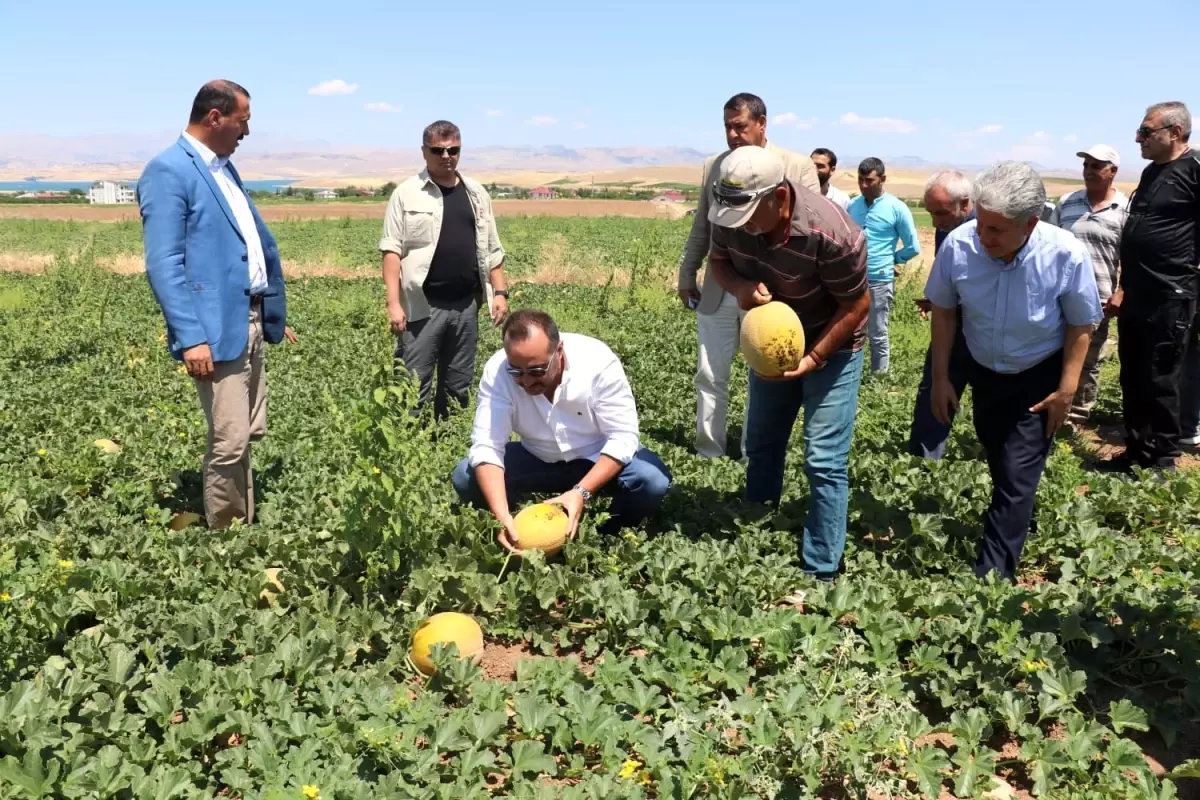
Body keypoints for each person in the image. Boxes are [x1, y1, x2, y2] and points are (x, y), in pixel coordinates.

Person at [926, 161, 1101, 581]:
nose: (983, 238)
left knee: (1016, 474)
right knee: (999, 456)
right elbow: (945, 314)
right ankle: (1018, 518)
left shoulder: (1065, 252)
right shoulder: (959, 244)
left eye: (996, 230)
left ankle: (991, 578)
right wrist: (941, 379)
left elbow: (1081, 325)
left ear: (1030, 224)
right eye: (981, 225)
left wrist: (1066, 391)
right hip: (985, 370)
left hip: (1037, 374)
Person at [137, 79, 297, 530]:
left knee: (248, 430)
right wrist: (191, 338)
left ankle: (242, 520)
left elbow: (244, 245)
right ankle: (227, 537)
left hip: (246, 316)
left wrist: (269, 311)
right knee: (229, 438)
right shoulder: (169, 170)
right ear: (215, 117)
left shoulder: (222, 167)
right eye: (243, 121)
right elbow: (164, 264)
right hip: (212, 329)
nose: (246, 132)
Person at [706, 145, 870, 584]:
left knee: (823, 459)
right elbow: (718, 261)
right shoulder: (730, 215)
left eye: (749, 218)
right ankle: (759, 530)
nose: (739, 228)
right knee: (760, 444)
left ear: (780, 198)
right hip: (772, 345)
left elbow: (858, 304)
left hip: (832, 346)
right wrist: (740, 286)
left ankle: (821, 570)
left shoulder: (832, 233)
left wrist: (814, 357)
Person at [451, 309, 672, 551]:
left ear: (559, 351)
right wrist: (500, 513)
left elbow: (623, 437)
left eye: (536, 371)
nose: (526, 381)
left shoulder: (597, 362)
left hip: (595, 457)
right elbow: (487, 446)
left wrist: (581, 492)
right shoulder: (497, 371)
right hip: (536, 456)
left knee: (651, 480)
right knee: (466, 476)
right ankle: (519, 524)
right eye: (516, 372)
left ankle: (605, 535)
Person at [676, 93, 820, 461]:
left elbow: (811, 231)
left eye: (739, 126)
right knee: (709, 373)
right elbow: (702, 226)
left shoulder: (796, 166)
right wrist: (687, 271)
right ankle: (709, 452)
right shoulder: (714, 165)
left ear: (762, 123)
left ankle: (752, 453)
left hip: (771, 294)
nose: (733, 134)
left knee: (764, 375)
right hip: (720, 286)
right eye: (727, 127)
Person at [379, 120, 510, 421]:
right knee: (413, 385)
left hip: (466, 306)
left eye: (453, 150)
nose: (446, 156)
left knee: (458, 386)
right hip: (422, 307)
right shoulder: (407, 193)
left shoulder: (476, 193)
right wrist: (393, 303)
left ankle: (446, 449)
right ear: (424, 151)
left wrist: (500, 292)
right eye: (438, 150)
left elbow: (492, 247)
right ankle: (409, 449)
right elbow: (391, 251)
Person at [1103, 101, 1199, 473]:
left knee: (1161, 377)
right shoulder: (1150, 173)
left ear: (1174, 133)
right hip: (1137, 295)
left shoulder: (1195, 169)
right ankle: (1136, 452)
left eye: (1146, 131)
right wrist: (1124, 286)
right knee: (1133, 375)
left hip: (1172, 293)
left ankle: (1162, 461)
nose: (1137, 138)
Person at [1046, 145, 1129, 431]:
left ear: (1113, 171)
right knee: (1054, 352)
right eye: (1086, 165)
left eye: (1097, 166)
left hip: (1099, 297)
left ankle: (1077, 416)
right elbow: (1048, 245)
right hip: (1059, 296)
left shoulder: (1124, 209)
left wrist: (1122, 291)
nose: (1089, 171)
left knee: (1089, 358)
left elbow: (1131, 256)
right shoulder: (1067, 202)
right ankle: (1052, 405)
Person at [907, 170, 975, 460]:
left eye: (941, 213)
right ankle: (924, 463)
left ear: (966, 203)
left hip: (988, 329)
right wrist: (937, 299)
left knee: (994, 404)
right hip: (951, 325)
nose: (935, 222)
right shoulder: (946, 227)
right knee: (936, 390)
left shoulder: (989, 229)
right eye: (931, 213)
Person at [846, 158, 921, 374]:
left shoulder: (897, 208)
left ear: (883, 179)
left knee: (877, 332)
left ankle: (879, 377)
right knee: (850, 329)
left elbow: (913, 246)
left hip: (879, 278)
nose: (864, 185)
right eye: (861, 180)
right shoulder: (853, 205)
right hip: (852, 278)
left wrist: (892, 259)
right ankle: (851, 375)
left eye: (869, 180)